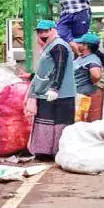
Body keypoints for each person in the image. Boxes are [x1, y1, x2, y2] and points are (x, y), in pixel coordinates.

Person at [24, 19, 76, 158]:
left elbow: (60, 67)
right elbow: (47, 69)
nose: (43, 34)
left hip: (60, 94)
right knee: (45, 122)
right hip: (45, 92)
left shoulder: (59, 46)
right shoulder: (49, 46)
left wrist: (55, 88)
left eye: (46, 31)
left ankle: (57, 152)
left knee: (59, 123)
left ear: (53, 30)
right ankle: (45, 152)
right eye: (40, 31)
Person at [73, 33, 104, 122]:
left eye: (80, 43)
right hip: (78, 94)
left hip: (85, 96)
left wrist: (92, 82)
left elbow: (96, 75)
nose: (77, 45)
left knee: (86, 122)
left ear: (86, 46)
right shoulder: (82, 57)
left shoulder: (92, 59)